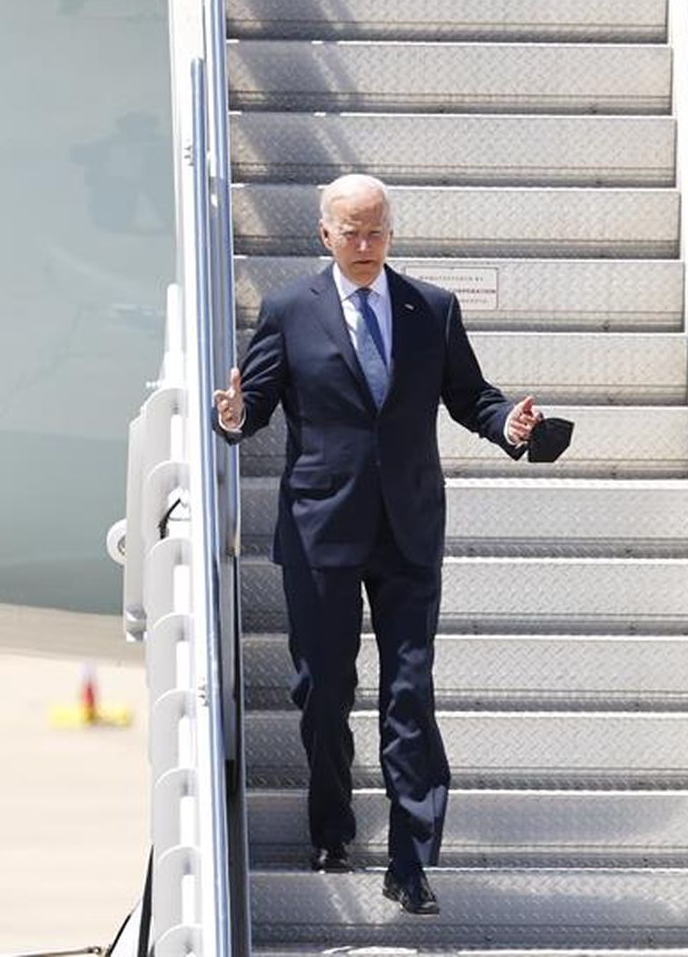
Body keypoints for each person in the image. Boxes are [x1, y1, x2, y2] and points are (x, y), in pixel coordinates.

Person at [213, 173, 542, 915]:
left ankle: (410, 860)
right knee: (323, 692)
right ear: (323, 233)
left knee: (407, 695)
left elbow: (471, 396)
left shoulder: (431, 308)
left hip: (408, 530)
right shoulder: (291, 310)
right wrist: (233, 416)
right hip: (320, 528)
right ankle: (331, 823)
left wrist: (507, 426)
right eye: (351, 232)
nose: (365, 246)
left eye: (377, 232)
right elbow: (256, 407)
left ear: (392, 232)